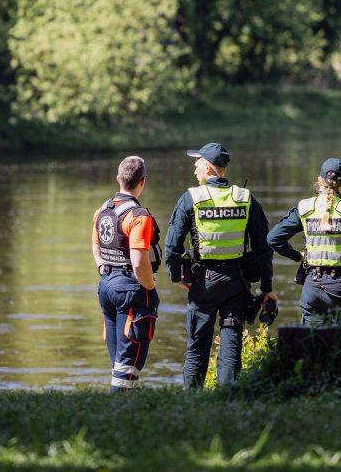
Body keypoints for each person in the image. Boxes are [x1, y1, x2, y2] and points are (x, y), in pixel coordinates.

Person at [164, 142, 277, 388]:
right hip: (236, 284)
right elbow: (263, 250)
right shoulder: (245, 199)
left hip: (203, 284)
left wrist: (175, 276)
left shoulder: (191, 198)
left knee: (197, 349)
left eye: (197, 162)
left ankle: (191, 405)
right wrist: (266, 287)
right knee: (231, 349)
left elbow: (172, 247)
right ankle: (227, 401)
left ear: (207, 166)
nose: (194, 167)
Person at [267, 157, 341, 325]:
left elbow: (273, 239)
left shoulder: (305, 208)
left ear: (319, 182)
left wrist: (298, 256)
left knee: (312, 345)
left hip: (311, 287)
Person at [92, 156, 162, 392]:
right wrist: (150, 289)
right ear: (143, 181)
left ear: (118, 179)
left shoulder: (102, 210)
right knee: (127, 369)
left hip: (106, 286)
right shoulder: (138, 216)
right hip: (131, 290)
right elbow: (139, 262)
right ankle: (113, 415)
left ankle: (119, 412)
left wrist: (103, 268)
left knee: (118, 366)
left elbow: (95, 245)